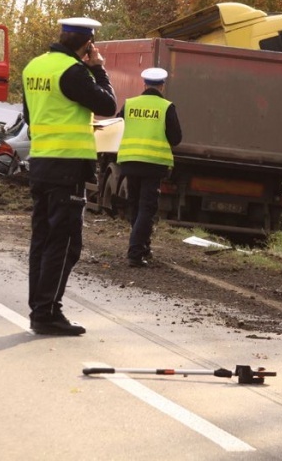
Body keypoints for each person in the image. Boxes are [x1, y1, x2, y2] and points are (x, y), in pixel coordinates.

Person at [22, 17, 116, 335]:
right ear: (87, 45)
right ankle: (48, 313)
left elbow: (28, 114)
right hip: (68, 166)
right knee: (65, 243)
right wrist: (99, 68)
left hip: (40, 163)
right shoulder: (73, 71)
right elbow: (108, 104)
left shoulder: (34, 66)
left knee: (42, 239)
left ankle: (40, 309)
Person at [116, 67, 182, 267]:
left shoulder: (130, 104)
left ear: (144, 85)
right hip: (153, 165)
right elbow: (176, 138)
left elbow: (117, 126)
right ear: (162, 86)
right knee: (147, 208)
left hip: (130, 161)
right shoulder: (166, 107)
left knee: (135, 205)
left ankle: (143, 247)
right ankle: (135, 252)